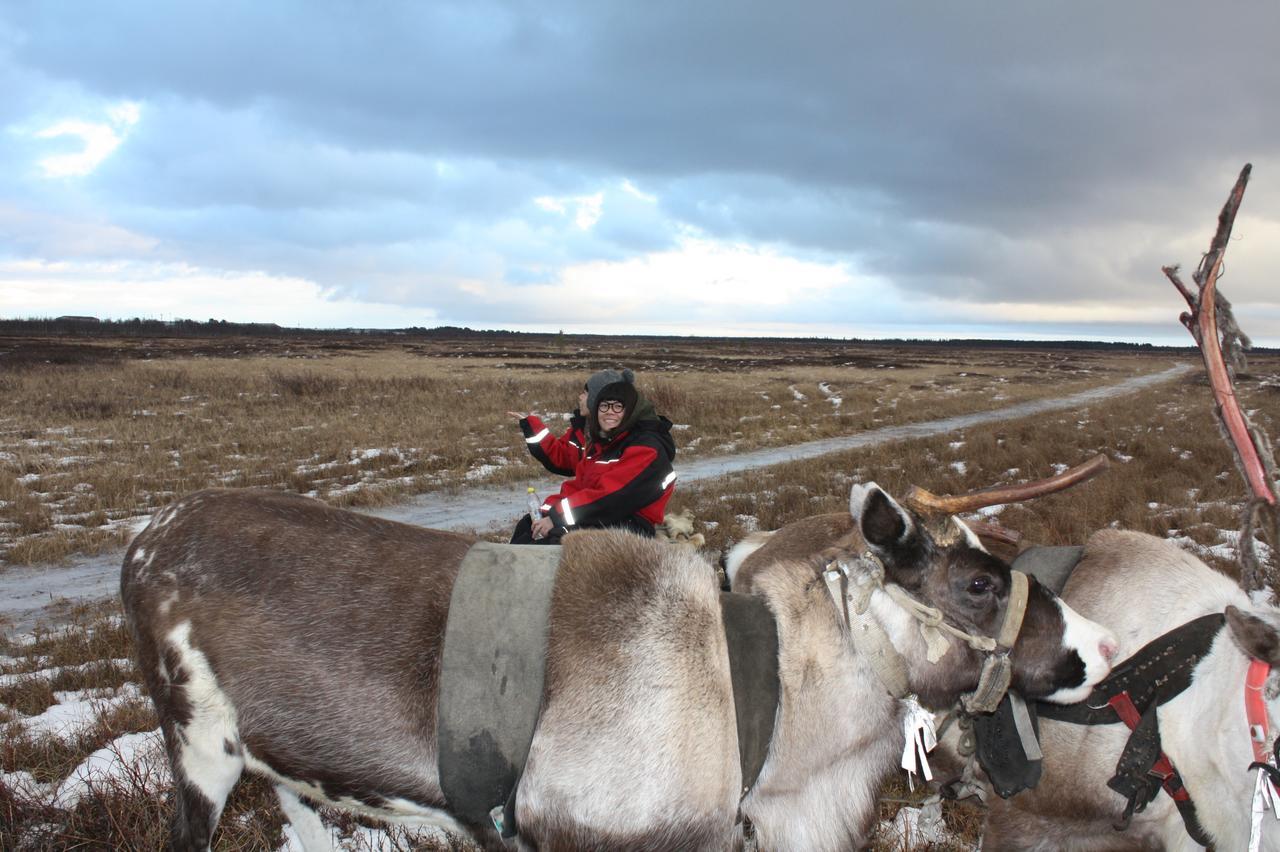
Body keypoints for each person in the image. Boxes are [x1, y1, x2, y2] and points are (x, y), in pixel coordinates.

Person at [508, 368, 676, 544]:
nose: (580, 397)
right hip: (602, 515)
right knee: (527, 527)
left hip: (626, 524)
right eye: (605, 406)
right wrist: (549, 511)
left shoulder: (645, 447)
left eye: (617, 406)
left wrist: (556, 518)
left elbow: (611, 497)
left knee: (548, 543)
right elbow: (577, 476)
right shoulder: (603, 439)